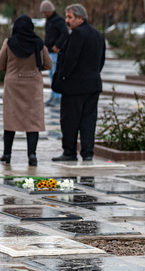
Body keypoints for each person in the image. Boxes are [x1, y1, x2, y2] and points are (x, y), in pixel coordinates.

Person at [0, 15, 52, 166]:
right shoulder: (39, 44)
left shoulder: (9, 43)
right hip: (33, 87)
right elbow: (49, 64)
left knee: (10, 120)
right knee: (33, 122)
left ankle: (7, 154)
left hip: (13, 87)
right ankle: (32, 155)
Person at [51, 4, 105, 162]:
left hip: (75, 87)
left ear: (80, 18)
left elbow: (70, 60)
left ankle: (69, 152)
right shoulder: (98, 34)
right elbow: (101, 60)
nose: (66, 21)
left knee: (70, 121)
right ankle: (87, 153)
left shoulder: (77, 34)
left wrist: (62, 77)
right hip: (93, 85)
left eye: (69, 17)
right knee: (89, 121)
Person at [40, 0, 68, 107]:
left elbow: (64, 34)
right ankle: (54, 95)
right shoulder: (50, 20)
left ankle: (57, 97)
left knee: (55, 74)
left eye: (45, 12)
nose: (44, 14)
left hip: (55, 52)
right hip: (50, 51)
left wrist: (58, 45)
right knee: (51, 74)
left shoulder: (58, 20)